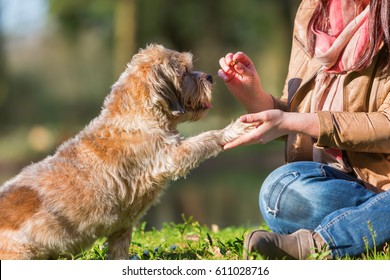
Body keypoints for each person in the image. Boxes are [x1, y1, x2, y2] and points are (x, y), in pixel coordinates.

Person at [218, 0, 390, 260]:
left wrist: (292, 121)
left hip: (382, 181)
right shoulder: (313, 11)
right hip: (338, 184)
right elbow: (298, 112)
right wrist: (255, 96)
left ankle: (320, 243)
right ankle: (376, 220)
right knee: (278, 194)